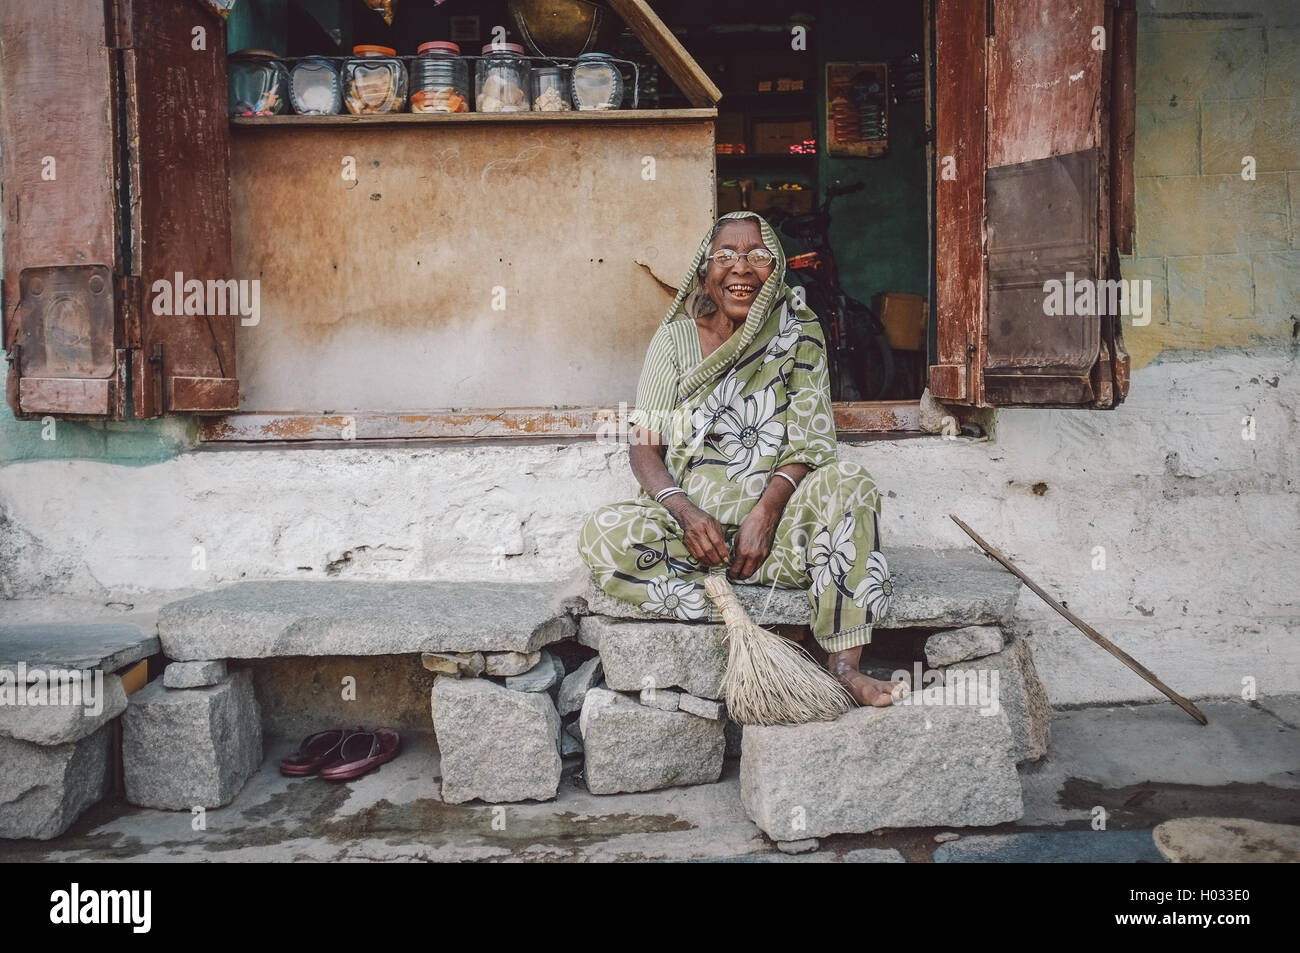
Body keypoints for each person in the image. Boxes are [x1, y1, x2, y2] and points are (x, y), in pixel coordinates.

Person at [578, 211, 906, 707]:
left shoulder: (800, 333)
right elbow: (645, 442)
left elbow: (811, 440)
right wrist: (685, 512)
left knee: (851, 482)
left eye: (757, 255)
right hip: (697, 537)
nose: (741, 268)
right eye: (726, 256)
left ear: (776, 268)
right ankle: (758, 620)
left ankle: (843, 665)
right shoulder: (676, 341)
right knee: (604, 535)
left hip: (777, 538)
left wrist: (766, 512)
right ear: (704, 270)